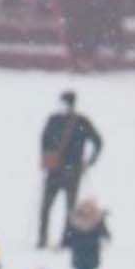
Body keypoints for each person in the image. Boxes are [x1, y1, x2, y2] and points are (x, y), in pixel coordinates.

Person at [38, 91, 104, 249]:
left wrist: (90, 162)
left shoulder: (68, 121)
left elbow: (98, 142)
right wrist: (89, 162)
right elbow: (98, 142)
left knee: (61, 208)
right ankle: (50, 240)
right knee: (55, 207)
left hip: (65, 171)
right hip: (64, 170)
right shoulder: (76, 121)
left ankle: (55, 240)